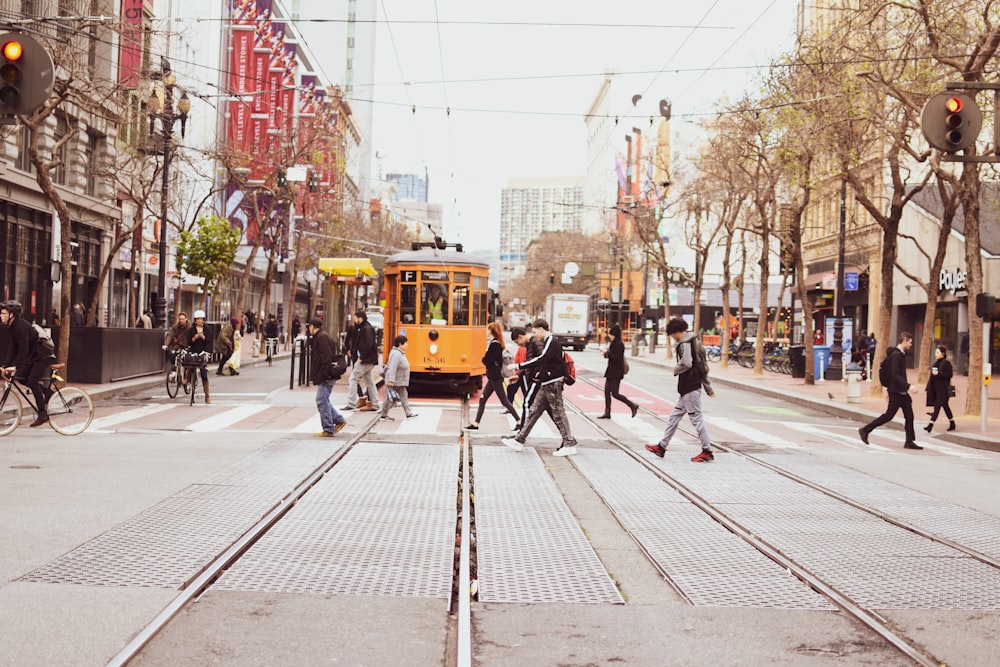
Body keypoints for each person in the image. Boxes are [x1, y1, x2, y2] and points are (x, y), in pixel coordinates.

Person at [501, 319, 578, 456]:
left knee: (558, 413)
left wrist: (519, 366)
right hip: (546, 382)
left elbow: (542, 358)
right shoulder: (548, 341)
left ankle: (569, 443)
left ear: (542, 329)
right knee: (534, 411)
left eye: (535, 332)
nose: (534, 335)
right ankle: (519, 440)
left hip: (553, 382)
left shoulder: (551, 341)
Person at [645, 318, 716, 462]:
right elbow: (702, 365)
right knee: (674, 417)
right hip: (687, 388)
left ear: (677, 332)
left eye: (672, 335)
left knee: (696, 419)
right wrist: (708, 388)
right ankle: (662, 446)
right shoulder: (694, 340)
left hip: (690, 386)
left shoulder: (685, 343)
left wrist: (676, 369)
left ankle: (707, 450)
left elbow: (688, 363)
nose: (672, 338)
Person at [858, 331, 921, 450]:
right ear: (904, 341)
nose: (911, 345)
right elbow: (895, 375)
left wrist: (890, 388)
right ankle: (865, 430)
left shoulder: (899, 354)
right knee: (888, 415)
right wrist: (908, 386)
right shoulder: (896, 356)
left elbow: (894, 375)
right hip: (897, 391)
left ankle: (909, 441)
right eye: (910, 342)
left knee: (909, 415)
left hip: (899, 391)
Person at [1, 300, 56, 427]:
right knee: (21, 378)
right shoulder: (13, 327)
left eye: (3, 313)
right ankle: (46, 392)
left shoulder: (20, 326)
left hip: (43, 356)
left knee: (32, 381)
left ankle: (42, 414)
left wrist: (16, 366)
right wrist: (4, 366)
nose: (0, 315)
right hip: (34, 357)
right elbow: (13, 349)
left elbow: (23, 349)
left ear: (11, 315)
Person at [466, 322, 521, 431]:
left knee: (504, 401)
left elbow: (487, 360)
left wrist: (485, 358)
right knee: (483, 399)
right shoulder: (497, 343)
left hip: (495, 377)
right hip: (493, 377)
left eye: (487, 330)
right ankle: (476, 424)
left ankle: (519, 421)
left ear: (492, 331)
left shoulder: (494, 344)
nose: (486, 332)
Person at [308, 318, 348, 437]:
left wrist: (324, 375)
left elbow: (326, 358)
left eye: (309, 326)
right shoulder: (321, 336)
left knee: (321, 400)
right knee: (323, 399)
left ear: (312, 326)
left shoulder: (321, 338)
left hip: (326, 374)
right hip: (326, 374)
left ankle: (329, 428)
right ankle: (338, 420)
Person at [598, 324, 639, 419]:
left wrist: (607, 353)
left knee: (615, 393)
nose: (610, 336)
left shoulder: (620, 344)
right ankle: (607, 412)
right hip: (610, 371)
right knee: (607, 392)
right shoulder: (613, 343)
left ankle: (632, 405)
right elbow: (611, 356)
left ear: (615, 335)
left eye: (611, 335)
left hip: (616, 372)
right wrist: (605, 354)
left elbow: (617, 358)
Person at [343, 310, 380, 412]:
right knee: (369, 381)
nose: (354, 320)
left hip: (365, 359)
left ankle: (351, 403)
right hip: (368, 359)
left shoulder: (366, 329)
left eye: (355, 317)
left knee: (353, 379)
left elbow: (368, 344)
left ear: (360, 318)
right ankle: (375, 404)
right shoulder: (364, 327)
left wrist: (362, 357)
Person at [379, 335, 418, 421]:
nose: (407, 345)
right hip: (396, 380)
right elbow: (393, 367)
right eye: (406, 343)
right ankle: (383, 414)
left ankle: (408, 413)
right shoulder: (396, 354)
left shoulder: (399, 353)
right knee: (390, 398)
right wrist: (391, 380)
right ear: (400, 344)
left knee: (403, 396)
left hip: (399, 380)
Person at [924, 344, 955, 433]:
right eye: (935, 352)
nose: (935, 354)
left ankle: (930, 425)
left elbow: (949, 375)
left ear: (943, 353)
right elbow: (932, 377)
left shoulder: (946, 363)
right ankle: (952, 422)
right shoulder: (935, 363)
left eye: (937, 352)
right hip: (936, 389)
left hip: (943, 389)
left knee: (937, 407)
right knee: (945, 406)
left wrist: (939, 374)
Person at [186, 310, 212, 404]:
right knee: (190, 363)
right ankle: (187, 378)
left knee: (204, 373)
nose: (199, 321)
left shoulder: (207, 329)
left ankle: (207, 395)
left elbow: (209, 341)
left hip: (203, 352)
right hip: (193, 351)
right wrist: (195, 337)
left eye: (201, 319)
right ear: (195, 320)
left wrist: (203, 337)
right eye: (198, 319)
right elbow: (189, 342)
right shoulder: (191, 329)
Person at [504, 326, 530, 408]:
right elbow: (517, 360)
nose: (518, 344)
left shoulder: (529, 347)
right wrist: (516, 373)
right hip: (521, 372)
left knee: (526, 393)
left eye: (517, 342)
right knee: (511, 388)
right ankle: (510, 406)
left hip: (525, 373)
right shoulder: (521, 348)